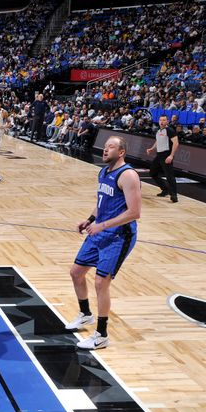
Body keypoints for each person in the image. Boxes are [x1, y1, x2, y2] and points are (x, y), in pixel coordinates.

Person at [65, 136, 141, 350]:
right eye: (105, 146)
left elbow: (135, 212)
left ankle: (102, 334)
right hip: (100, 231)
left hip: (119, 236)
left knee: (101, 283)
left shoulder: (128, 175)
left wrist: (102, 225)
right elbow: (102, 203)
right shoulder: (103, 172)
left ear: (122, 151)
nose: (106, 150)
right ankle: (85, 314)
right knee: (76, 272)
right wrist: (89, 220)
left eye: (111, 147)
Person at [146, 114, 179, 203]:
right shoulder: (158, 131)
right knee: (152, 173)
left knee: (169, 176)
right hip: (159, 155)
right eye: (160, 120)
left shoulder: (169, 130)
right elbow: (158, 141)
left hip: (166, 155)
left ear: (167, 121)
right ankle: (165, 189)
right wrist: (152, 149)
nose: (162, 121)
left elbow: (176, 143)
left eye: (164, 120)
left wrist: (171, 156)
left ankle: (174, 195)